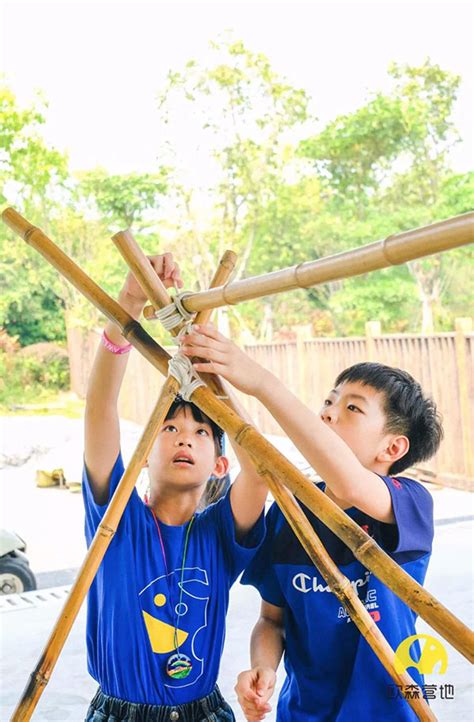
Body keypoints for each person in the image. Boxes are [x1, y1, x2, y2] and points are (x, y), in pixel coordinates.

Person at [180, 323, 443, 722]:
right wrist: (263, 666)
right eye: (328, 402)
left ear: (392, 447)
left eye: (351, 408)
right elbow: (271, 619)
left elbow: (350, 484)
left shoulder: (408, 504)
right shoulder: (290, 512)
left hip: (391, 713)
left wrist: (263, 384)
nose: (327, 413)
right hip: (303, 714)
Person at [83, 254, 268, 722]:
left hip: (203, 712)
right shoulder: (116, 520)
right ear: (145, 449)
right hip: (118, 713)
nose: (185, 435)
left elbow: (261, 471)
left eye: (202, 432)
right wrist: (128, 302)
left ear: (221, 464)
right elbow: (100, 408)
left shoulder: (220, 534)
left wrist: (212, 373)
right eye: (169, 428)